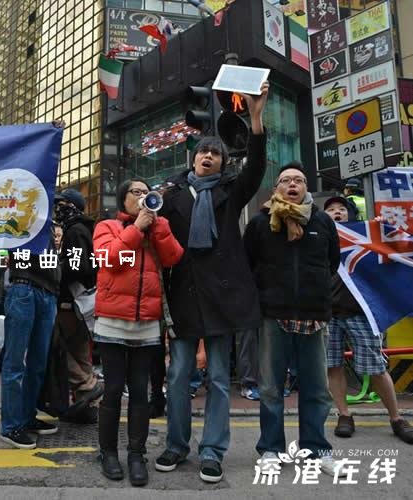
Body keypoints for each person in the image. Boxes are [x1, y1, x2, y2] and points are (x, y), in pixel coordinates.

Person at [155, 82, 269, 482]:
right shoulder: (172, 197)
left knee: (220, 379)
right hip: (184, 296)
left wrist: (255, 119)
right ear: (193, 157)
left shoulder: (230, 193)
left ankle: (213, 451)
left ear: (222, 163)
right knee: (179, 375)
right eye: (203, 151)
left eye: (216, 153)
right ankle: (175, 444)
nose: (208, 156)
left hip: (224, 298)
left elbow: (255, 169)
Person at [244, 162, 342, 476]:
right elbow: (250, 264)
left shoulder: (323, 221)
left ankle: (316, 450)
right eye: (285, 180)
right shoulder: (261, 223)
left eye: (298, 180)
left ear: (306, 188)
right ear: (276, 188)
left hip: (314, 316)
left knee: (316, 388)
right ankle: (271, 449)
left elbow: (332, 263)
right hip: (273, 315)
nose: (292, 185)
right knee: (271, 388)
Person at [94, 178, 183, 486]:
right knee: (114, 390)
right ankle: (107, 453)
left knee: (141, 393)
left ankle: (136, 454)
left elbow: (173, 257)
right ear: (123, 198)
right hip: (111, 324)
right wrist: (136, 229)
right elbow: (109, 258)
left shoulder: (159, 227)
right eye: (136, 192)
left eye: (148, 193)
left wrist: (155, 227)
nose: (143, 197)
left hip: (146, 325)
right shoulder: (107, 226)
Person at [323, 196, 413, 444]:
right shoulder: (320, 239)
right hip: (328, 314)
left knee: (375, 367)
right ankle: (344, 415)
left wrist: (381, 227)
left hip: (359, 313)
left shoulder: (365, 240)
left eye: (342, 209)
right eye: (330, 210)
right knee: (333, 366)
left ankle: (396, 418)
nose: (337, 212)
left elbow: (393, 251)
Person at [0, 230, 61, 450]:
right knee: (15, 363)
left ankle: (26, 417)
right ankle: (11, 426)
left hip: (48, 292)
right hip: (23, 288)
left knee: (37, 364)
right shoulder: (22, 211)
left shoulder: (49, 222)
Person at [55, 188, 104, 416]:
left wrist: (56, 267)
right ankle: (88, 408)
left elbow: (79, 267)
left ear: (72, 205)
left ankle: (88, 385)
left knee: (54, 349)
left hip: (71, 302)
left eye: (62, 203)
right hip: (83, 303)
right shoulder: (84, 228)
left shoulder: (75, 230)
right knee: (81, 353)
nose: (58, 208)